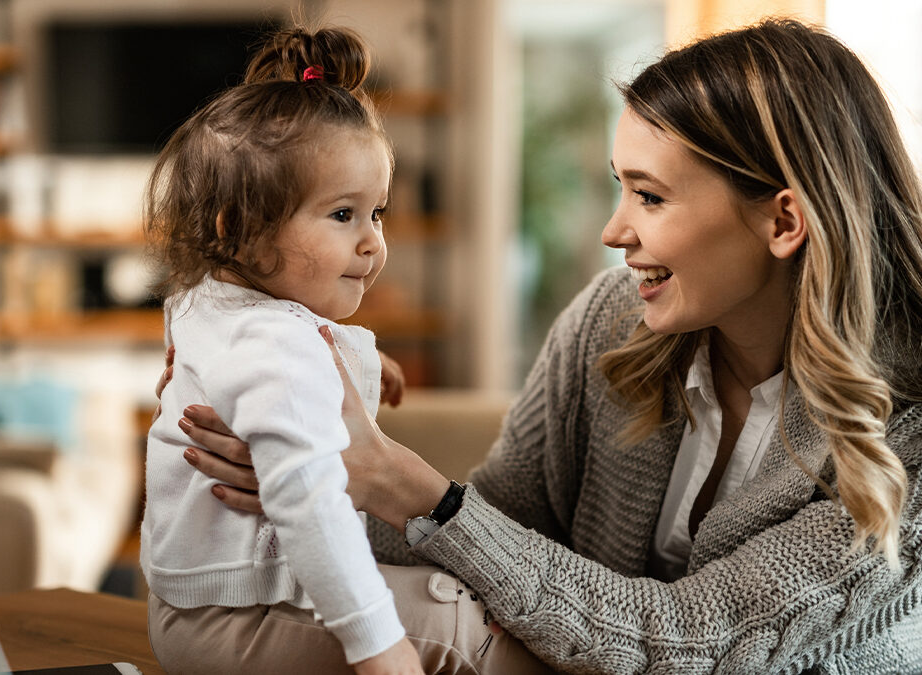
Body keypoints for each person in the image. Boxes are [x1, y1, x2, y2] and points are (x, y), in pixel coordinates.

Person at [167, 18, 922, 674]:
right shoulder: (614, 318)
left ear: (783, 222)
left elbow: (698, 646)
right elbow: (499, 536)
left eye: (650, 196)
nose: (613, 230)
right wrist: (299, 470)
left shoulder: (907, 434)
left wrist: (408, 486)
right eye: (619, 187)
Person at [140, 26, 428, 675]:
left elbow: (246, 362)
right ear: (238, 229)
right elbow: (311, 501)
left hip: (186, 608)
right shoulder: (278, 344)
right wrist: (380, 647)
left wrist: (360, 363)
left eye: (377, 212)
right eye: (342, 215)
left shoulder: (204, 300)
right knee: (480, 630)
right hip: (247, 620)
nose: (373, 243)